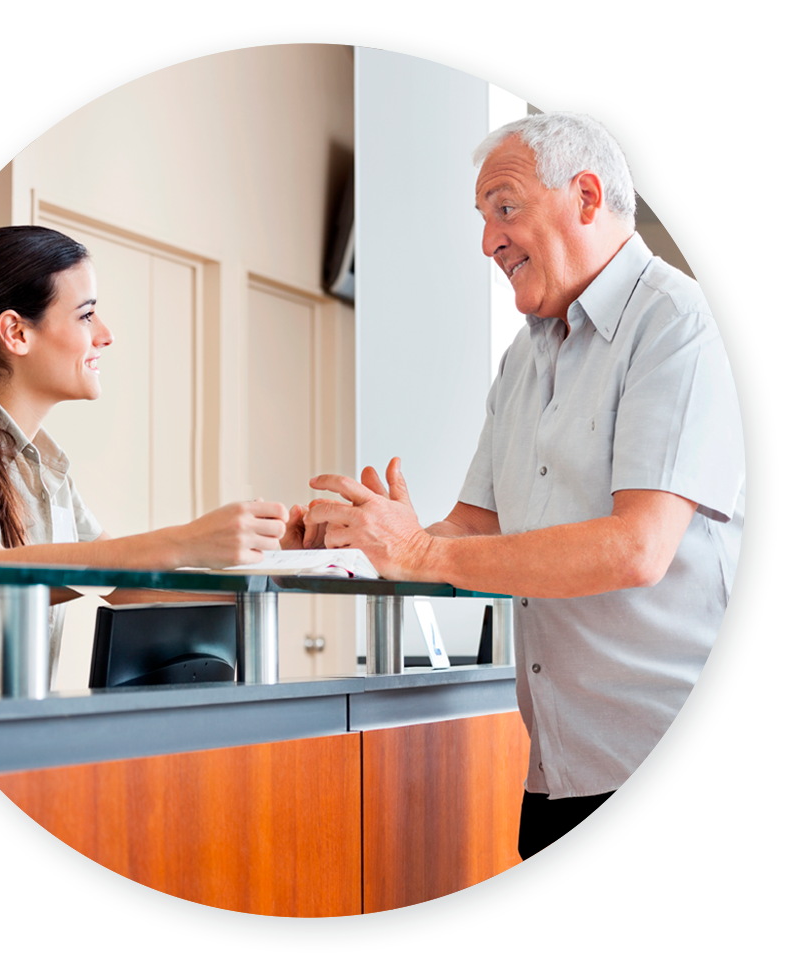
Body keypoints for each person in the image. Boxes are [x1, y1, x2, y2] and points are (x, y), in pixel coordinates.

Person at [298, 112, 745, 918]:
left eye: (504, 208)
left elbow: (637, 548)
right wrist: (372, 535)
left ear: (584, 196)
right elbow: (475, 530)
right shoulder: (525, 355)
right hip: (562, 776)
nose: (487, 242)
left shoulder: (673, 324)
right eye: (482, 219)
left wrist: (424, 556)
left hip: (683, 774)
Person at [0, 225, 291, 696]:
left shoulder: (43, 468)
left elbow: (126, 585)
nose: (106, 335)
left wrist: (279, 557)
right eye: (86, 315)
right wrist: (187, 540)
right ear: (15, 332)